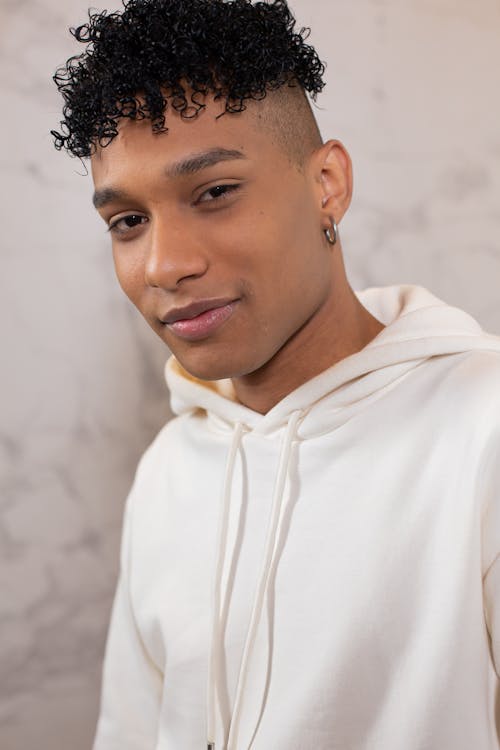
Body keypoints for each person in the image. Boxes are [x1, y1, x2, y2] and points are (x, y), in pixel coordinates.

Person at [52, 0, 500, 748]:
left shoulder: (484, 430)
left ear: (327, 183)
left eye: (215, 193)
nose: (165, 264)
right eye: (128, 221)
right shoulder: (168, 472)